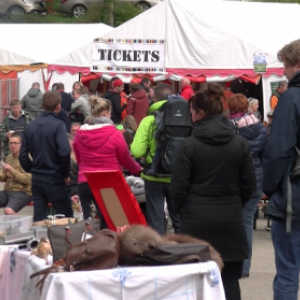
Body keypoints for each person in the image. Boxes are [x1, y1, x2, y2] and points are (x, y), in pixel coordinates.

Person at [170, 84, 256, 300]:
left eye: (191, 111)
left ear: (200, 113)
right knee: (229, 281)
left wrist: (182, 211)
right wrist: (235, 204)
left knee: (195, 284)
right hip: (230, 222)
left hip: (196, 222)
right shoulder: (239, 143)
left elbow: (178, 188)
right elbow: (249, 186)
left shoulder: (189, 145)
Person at [262, 39, 300, 300]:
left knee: (287, 273)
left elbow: (277, 151)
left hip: (293, 199)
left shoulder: (291, 99)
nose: (284, 72)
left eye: (286, 66)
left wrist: (269, 188)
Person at [73, 97, 142, 224]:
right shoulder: (115, 133)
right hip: (108, 181)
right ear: (105, 113)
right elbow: (125, 158)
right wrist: (138, 169)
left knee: (87, 224)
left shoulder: (80, 133)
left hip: (85, 181)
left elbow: (79, 159)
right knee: (110, 223)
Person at [131, 83, 180, 235]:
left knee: (156, 221)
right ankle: (185, 253)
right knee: (179, 220)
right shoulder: (183, 119)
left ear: (154, 98)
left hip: (153, 176)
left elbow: (136, 151)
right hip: (177, 176)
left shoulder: (148, 120)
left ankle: (159, 254)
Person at [228, 93, 268, 278]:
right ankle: (244, 268)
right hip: (255, 178)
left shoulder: (228, 127)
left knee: (230, 222)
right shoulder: (260, 127)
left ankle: (230, 263)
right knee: (245, 223)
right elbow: (265, 155)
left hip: (233, 180)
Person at [19, 91, 73, 222]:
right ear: (58, 107)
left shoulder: (31, 126)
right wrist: (65, 173)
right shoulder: (58, 125)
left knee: (39, 218)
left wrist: (32, 169)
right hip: (54, 177)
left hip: (37, 178)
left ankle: (39, 241)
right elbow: (65, 151)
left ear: (42, 105)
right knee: (66, 218)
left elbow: (23, 156)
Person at [0, 134, 32, 215]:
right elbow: (4, 177)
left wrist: (11, 170)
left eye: (15, 143)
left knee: (8, 211)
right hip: (8, 190)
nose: (12, 145)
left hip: (23, 192)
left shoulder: (27, 158)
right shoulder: (9, 157)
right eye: (10, 143)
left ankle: (21, 223)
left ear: (22, 144)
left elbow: (27, 180)